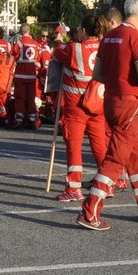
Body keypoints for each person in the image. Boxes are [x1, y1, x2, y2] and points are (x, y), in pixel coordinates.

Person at [77, 0, 138, 230]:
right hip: (130, 104)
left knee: (136, 157)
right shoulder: (135, 38)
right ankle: (89, 211)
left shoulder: (109, 38)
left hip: (111, 101)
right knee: (115, 159)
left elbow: (97, 75)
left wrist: (117, 81)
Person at [54, 15, 109, 201]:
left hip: (76, 105)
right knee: (99, 145)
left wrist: (59, 41)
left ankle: (73, 188)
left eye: (78, 29)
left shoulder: (74, 48)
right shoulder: (104, 47)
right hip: (98, 103)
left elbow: (56, 54)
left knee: (74, 146)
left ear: (84, 31)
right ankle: (106, 185)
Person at [11, 26, 44, 129]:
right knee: (31, 98)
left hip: (20, 75)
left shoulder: (19, 43)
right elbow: (38, 57)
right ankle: (32, 119)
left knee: (20, 97)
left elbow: (14, 54)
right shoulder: (35, 44)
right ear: (29, 31)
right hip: (31, 75)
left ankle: (19, 119)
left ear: (21, 32)